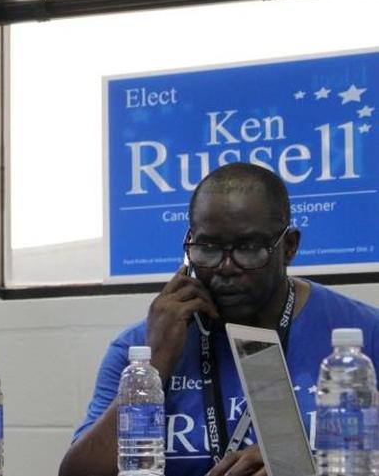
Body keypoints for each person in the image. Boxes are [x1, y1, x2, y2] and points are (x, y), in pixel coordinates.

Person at [60, 163, 379, 476]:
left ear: (289, 247)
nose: (226, 266)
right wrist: (156, 363)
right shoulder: (141, 347)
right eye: (208, 248)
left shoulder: (361, 336)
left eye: (249, 248)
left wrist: (305, 465)